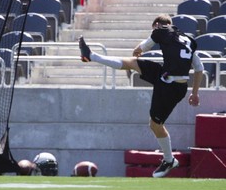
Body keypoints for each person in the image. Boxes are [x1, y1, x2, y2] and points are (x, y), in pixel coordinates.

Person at [78, 14, 204, 178]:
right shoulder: (187, 40)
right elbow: (199, 67)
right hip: (167, 77)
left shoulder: (160, 31)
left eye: (154, 29)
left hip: (170, 87)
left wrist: (139, 50)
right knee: (131, 63)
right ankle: (91, 55)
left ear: (158, 25)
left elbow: (140, 48)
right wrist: (194, 93)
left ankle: (169, 160)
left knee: (155, 124)